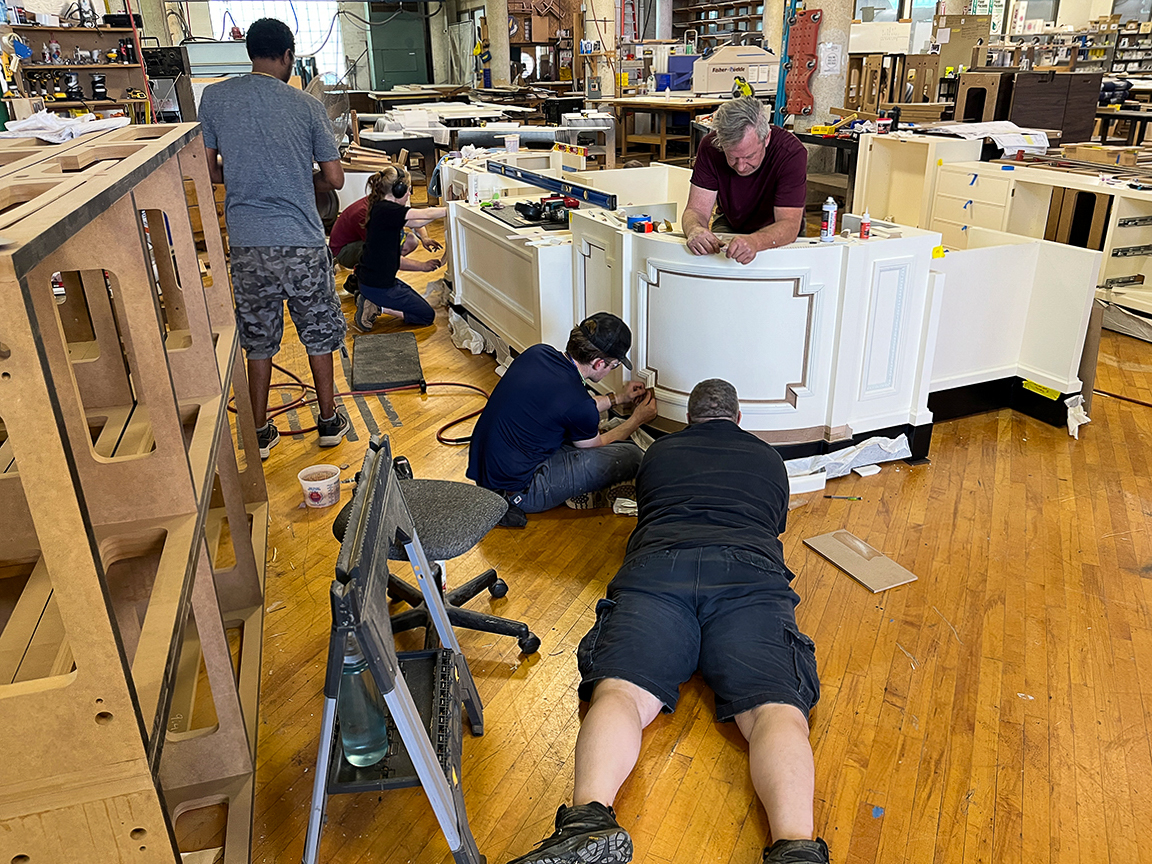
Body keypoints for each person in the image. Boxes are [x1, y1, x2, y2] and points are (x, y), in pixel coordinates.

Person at [506, 378, 828, 864]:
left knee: (622, 693)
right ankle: (796, 850)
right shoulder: (767, 459)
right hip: (748, 575)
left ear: (690, 419)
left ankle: (586, 825)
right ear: (739, 419)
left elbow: (648, 509)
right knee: (775, 709)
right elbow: (772, 523)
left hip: (659, 569)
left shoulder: (659, 453)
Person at [199, 17, 350, 459]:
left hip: (247, 243)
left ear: (250, 53)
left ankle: (260, 432)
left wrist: (248, 177)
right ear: (287, 56)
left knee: (259, 338)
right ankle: (327, 421)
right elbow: (336, 179)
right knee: (319, 333)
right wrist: (301, 183)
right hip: (300, 242)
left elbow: (210, 172)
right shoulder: (305, 106)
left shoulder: (215, 97)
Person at [467, 313, 658, 527]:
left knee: (576, 433)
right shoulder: (578, 405)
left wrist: (619, 399)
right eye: (613, 365)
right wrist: (636, 420)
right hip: (519, 492)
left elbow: (570, 406)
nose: (612, 370)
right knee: (632, 455)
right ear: (598, 363)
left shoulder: (537, 353)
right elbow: (594, 444)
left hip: (487, 471)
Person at [683, 96, 808, 265]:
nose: (741, 167)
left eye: (750, 156)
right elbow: (696, 210)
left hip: (777, 229)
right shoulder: (710, 146)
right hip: (731, 221)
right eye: (732, 157)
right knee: (714, 263)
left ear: (767, 138)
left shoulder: (790, 152)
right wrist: (694, 229)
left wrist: (755, 242)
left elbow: (789, 225)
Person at [352, 166, 448, 332]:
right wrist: (455, 208)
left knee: (419, 307)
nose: (410, 194)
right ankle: (376, 307)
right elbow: (425, 214)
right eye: (409, 190)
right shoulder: (388, 211)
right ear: (399, 190)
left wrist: (424, 253)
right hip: (378, 286)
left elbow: (418, 222)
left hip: (374, 281)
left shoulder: (382, 209)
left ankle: (371, 300)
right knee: (427, 316)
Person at [329, 192, 443, 294]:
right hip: (343, 251)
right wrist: (422, 266)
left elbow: (415, 221)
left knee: (411, 241)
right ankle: (364, 278)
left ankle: (374, 274)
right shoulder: (367, 213)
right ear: (396, 191)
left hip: (359, 242)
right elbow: (385, 254)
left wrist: (425, 238)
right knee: (382, 252)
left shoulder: (386, 201)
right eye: (407, 190)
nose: (409, 194)